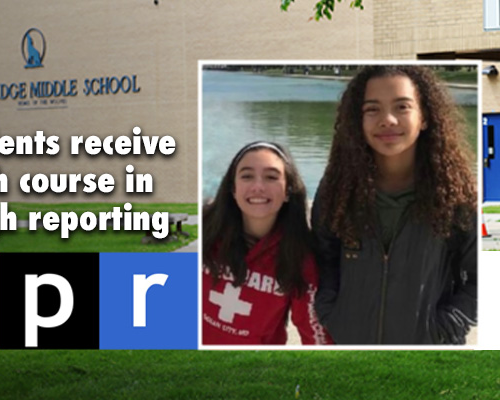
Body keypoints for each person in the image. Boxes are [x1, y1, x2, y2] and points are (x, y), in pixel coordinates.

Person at [312, 65, 477, 344]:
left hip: (428, 355)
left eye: (402, 107)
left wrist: (446, 327)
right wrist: (333, 314)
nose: (387, 119)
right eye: (372, 109)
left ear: (424, 117)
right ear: (358, 120)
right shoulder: (337, 191)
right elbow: (324, 259)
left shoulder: (457, 195)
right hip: (350, 349)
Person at [203, 141, 330, 345]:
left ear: (288, 191)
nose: (258, 187)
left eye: (271, 177)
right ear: (233, 189)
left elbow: (313, 333)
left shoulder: (300, 257)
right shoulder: (204, 230)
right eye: (247, 176)